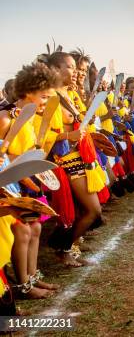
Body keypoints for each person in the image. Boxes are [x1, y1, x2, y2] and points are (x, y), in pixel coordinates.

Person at [0, 63, 61, 298]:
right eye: (43, 97)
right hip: (8, 185)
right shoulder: (5, 119)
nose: (46, 102)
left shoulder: (29, 118)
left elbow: (26, 155)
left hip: (19, 182)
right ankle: (22, 285)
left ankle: (33, 276)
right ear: (28, 92)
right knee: (23, 231)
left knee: (35, 227)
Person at [45, 51, 103, 267]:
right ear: (56, 70)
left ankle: (69, 247)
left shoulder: (67, 94)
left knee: (87, 210)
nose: (76, 71)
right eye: (70, 66)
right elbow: (41, 137)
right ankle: (64, 249)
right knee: (93, 210)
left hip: (82, 156)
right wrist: (68, 135)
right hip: (67, 160)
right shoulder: (49, 97)